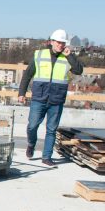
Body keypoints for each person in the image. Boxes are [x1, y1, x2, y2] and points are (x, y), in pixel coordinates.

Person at [18, 29, 84, 166]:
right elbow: (27, 75)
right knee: (32, 126)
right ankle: (31, 144)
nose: (61, 45)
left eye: (63, 43)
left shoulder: (67, 57)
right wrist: (21, 93)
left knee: (51, 130)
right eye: (58, 42)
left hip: (56, 99)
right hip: (39, 97)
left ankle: (47, 157)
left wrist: (70, 55)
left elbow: (79, 70)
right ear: (52, 42)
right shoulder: (40, 55)